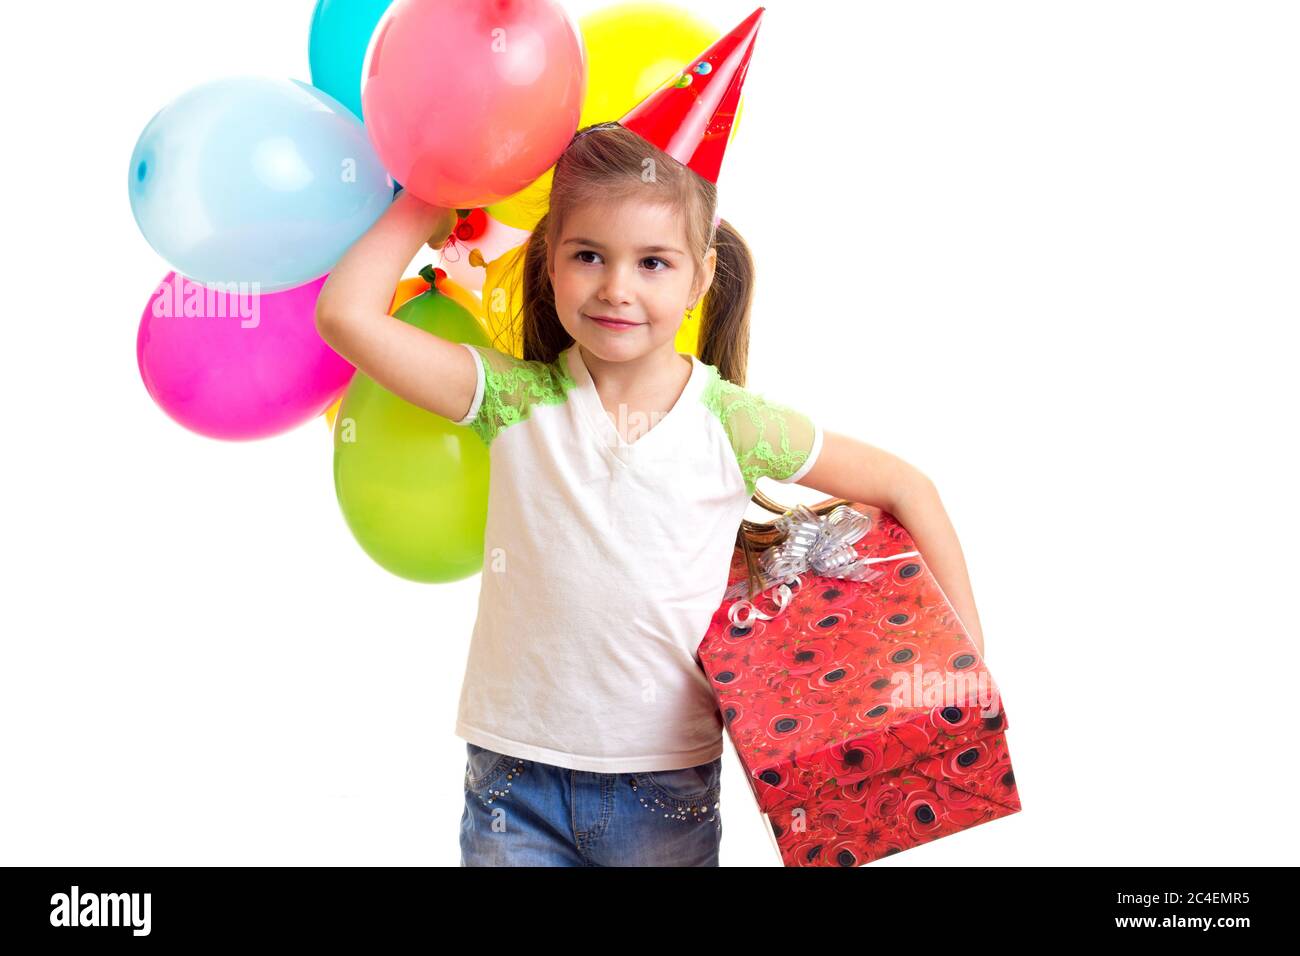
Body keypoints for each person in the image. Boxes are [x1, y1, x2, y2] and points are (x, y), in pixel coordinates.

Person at [314, 10, 984, 867]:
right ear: (548, 258)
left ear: (703, 272)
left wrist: (958, 664)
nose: (615, 288)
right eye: (587, 255)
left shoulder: (733, 424)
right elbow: (346, 315)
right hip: (512, 787)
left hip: (662, 796)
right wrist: (432, 189)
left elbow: (906, 487)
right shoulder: (512, 400)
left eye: (653, 262)